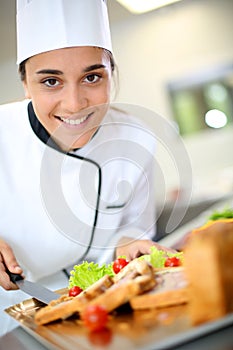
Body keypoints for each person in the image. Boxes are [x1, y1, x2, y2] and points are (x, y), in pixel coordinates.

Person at [0, 0, 174, 335]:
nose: (74, 104)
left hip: (98, 311)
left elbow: (133, 230)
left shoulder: (136, 138)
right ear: (25, 85)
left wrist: (125, 247)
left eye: (92, 77)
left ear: (112, 74)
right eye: (51, 81)